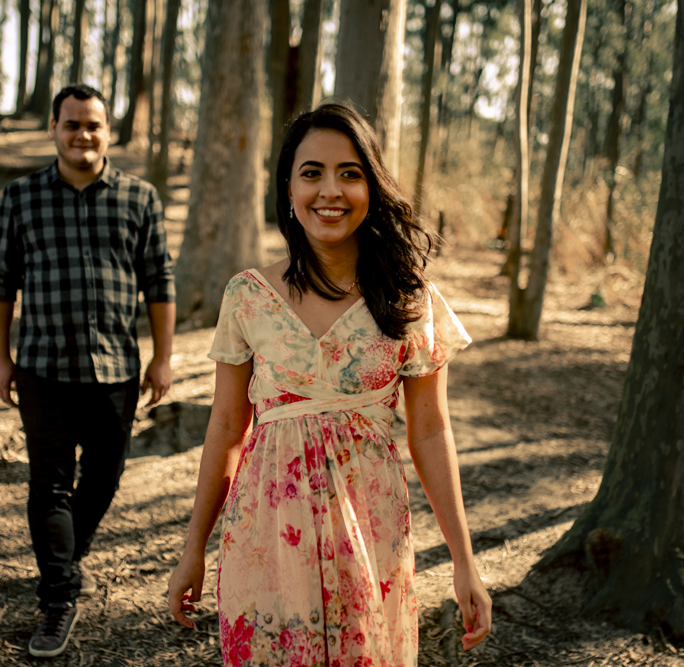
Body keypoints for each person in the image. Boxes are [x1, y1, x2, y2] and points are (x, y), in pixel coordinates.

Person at [166, 102, 491, 666]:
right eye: (311, 172)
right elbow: (225, 428)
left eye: (350, 173)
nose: (330, 191)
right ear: (288, 188)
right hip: (265, 535)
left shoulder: (408, 300)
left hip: (371, 532)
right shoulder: (248, 296)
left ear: (372, 185)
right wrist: (193, 547)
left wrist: (465, 560)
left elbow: (432, 432)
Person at [0, 83, 176, 658]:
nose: (82, 134)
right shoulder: (22, 197)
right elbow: (0, 282)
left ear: (108, 131)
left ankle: (63, 555)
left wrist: (164, 357)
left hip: (116, 366)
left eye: (93, 124)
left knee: (104, 478)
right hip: (43, 366)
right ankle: (58, 597)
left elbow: (158, 283)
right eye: (72, 124)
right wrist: (0, 359)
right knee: (48, 485)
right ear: (53, 128)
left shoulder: (140, 198)